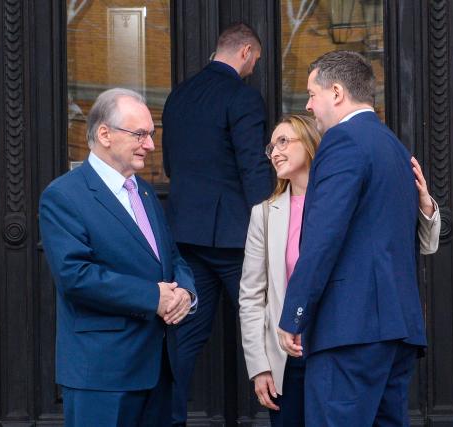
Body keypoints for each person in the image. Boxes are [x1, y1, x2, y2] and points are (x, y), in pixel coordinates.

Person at [240, 115, 441, 426]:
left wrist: (425, 206)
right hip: (288, 354)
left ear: (308, 144)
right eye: (271, 146)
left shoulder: (347, 194)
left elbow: (402, 246)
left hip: (344, 338)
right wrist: (260, 366)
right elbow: (252, 296)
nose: (274, 152)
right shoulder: (264, 214)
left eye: (283, 141)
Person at [276, 51, 429, 426]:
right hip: (397, 328)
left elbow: (324, 238)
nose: (309, 105)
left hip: (351, 328)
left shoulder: (343, 141)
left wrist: (294, 314)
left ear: (338, 92)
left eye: (313, 94)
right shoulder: (393, 145)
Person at [39, 88, 196, 427]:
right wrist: (153, 296)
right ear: (104, 134)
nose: (151, 145)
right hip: (103, 375)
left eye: (152, 135)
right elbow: (75, 276)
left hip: (159, 369)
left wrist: (185, 292)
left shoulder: (144, 191)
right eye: (140, 134)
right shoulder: (64, 195)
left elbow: (171, 257)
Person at [161, 22, 273, 425]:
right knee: (262, 326)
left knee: (187, 336)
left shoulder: (178, 96)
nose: (253, 68)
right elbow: (253, 168)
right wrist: (271, 225)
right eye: (255, 61)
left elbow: (170, 165)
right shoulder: (242, 97)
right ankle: (278, 414)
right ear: (245, 52)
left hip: (185, 233)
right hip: (235, 238)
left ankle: (168, 418)